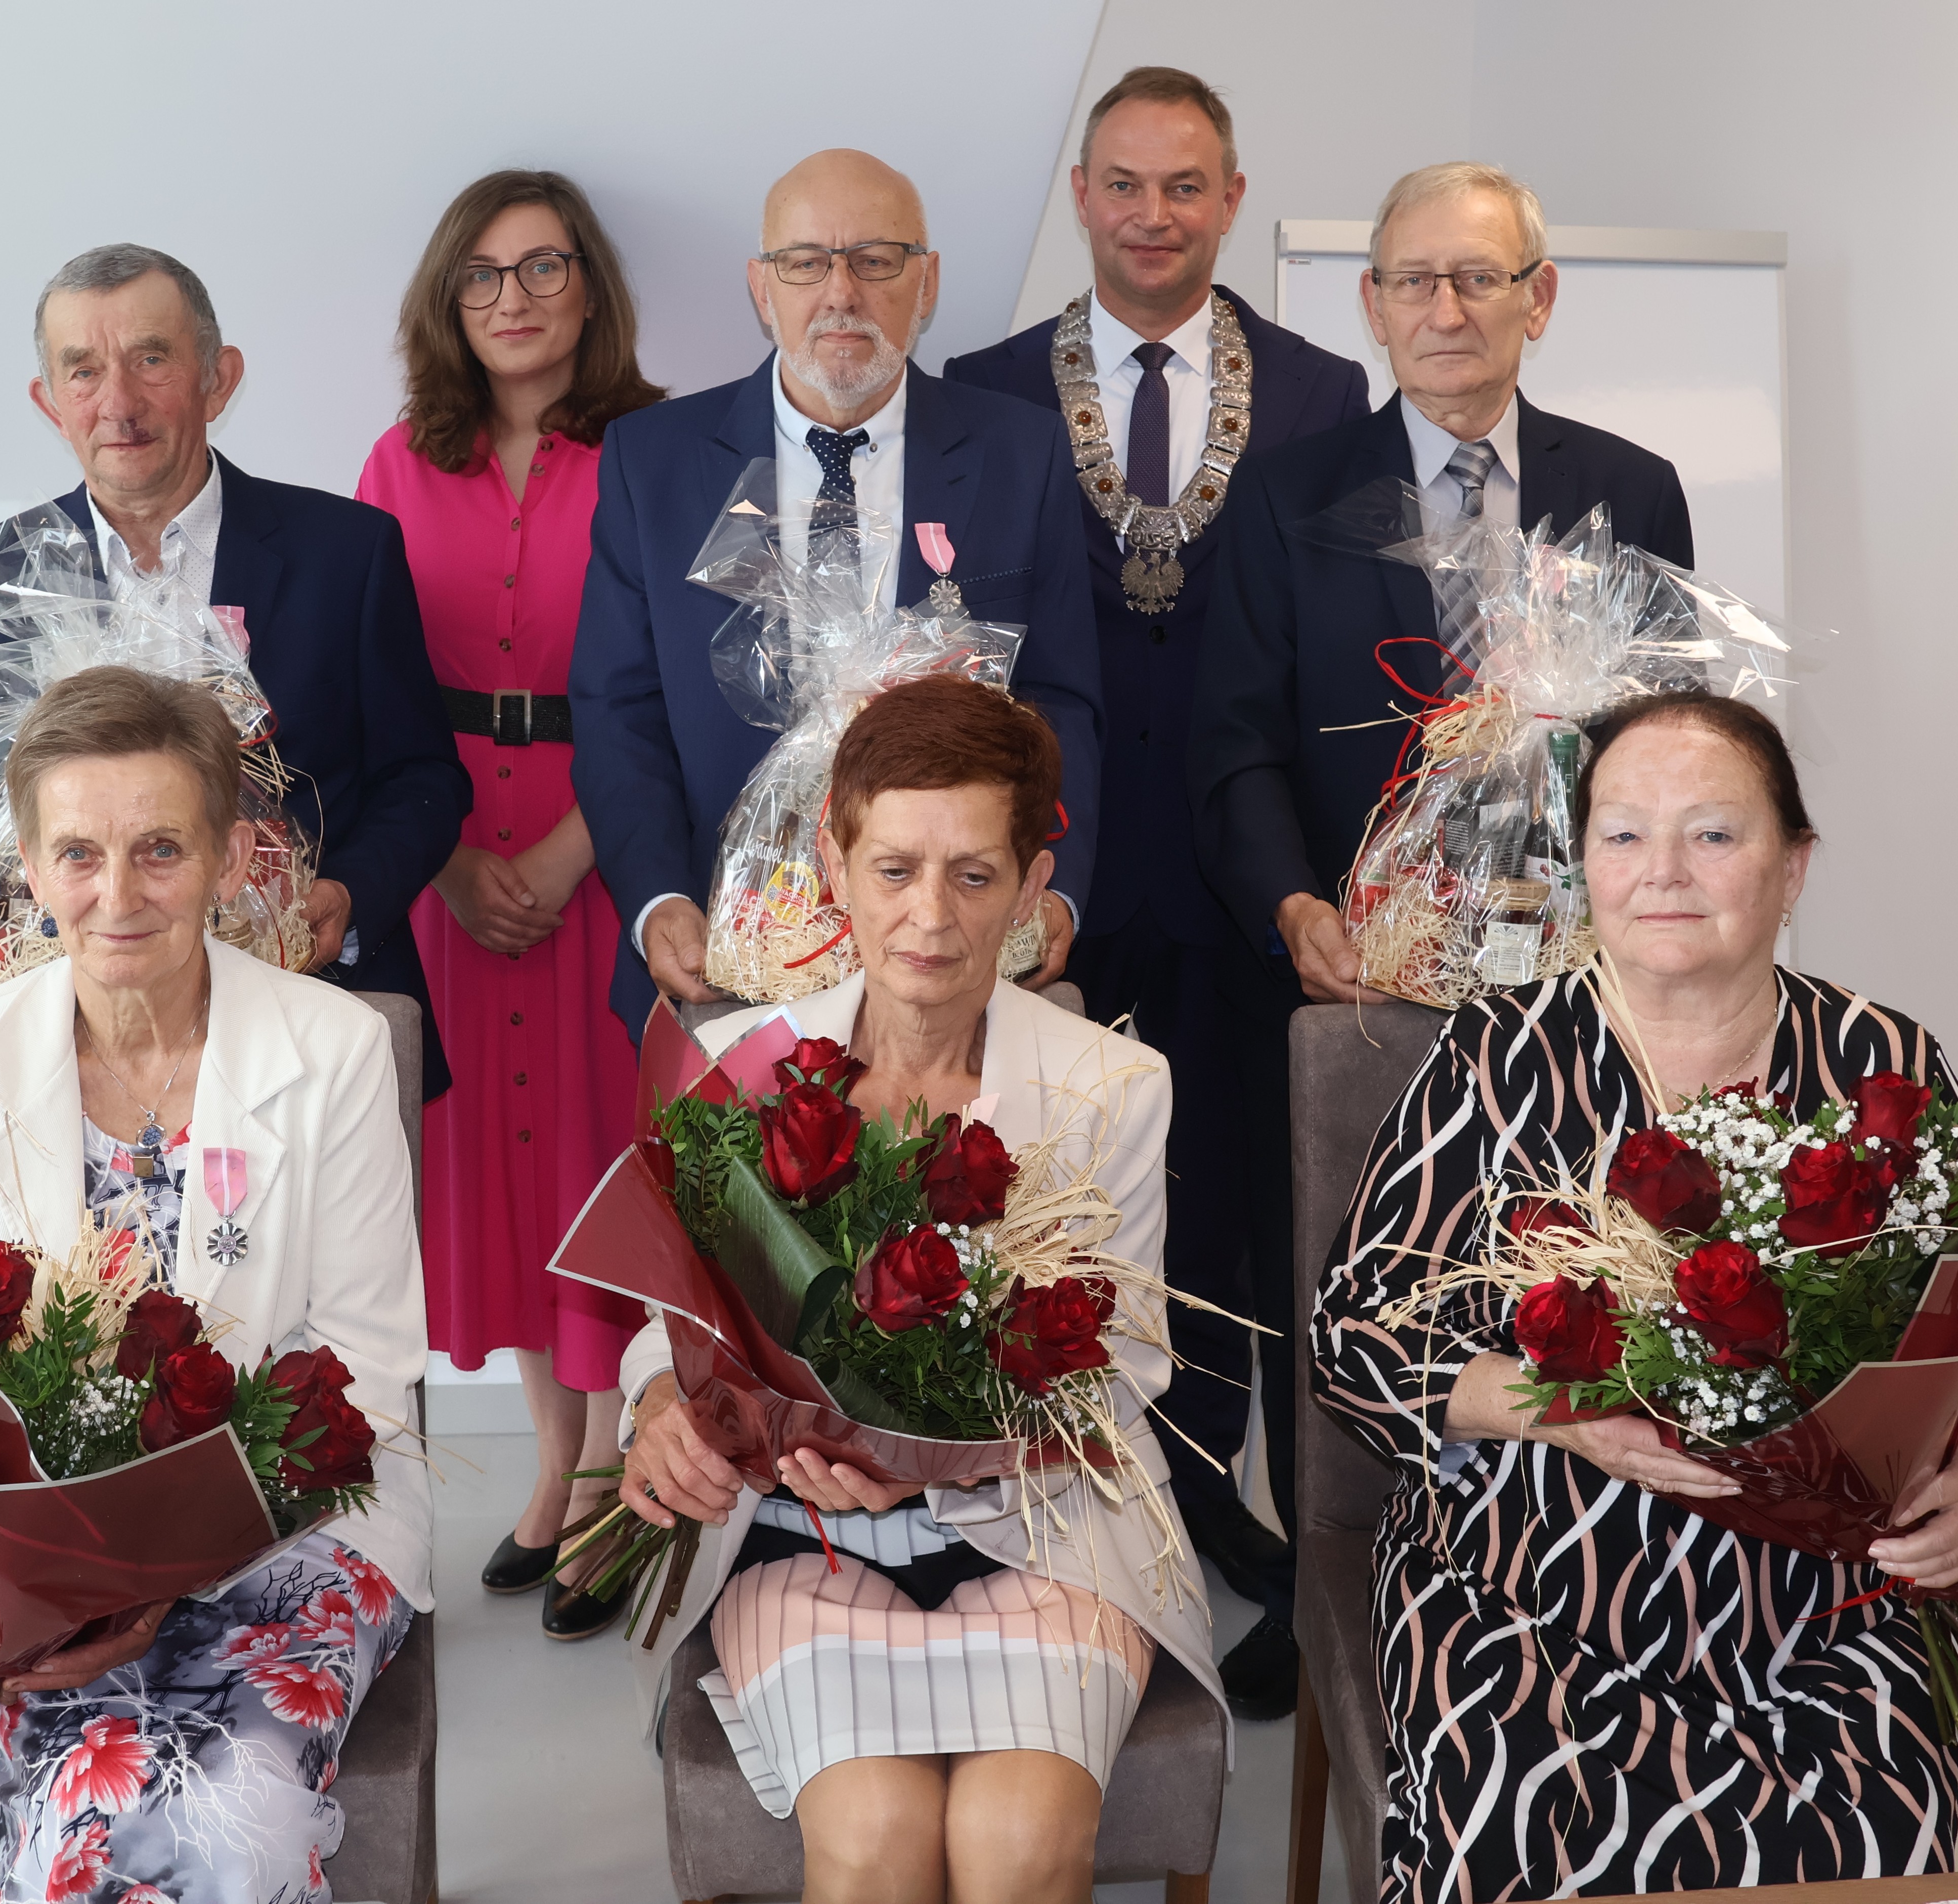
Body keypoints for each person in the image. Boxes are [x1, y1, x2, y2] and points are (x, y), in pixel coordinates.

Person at [1312, 692, 1958, 1898]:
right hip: (1531, 1591)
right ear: (1584, 866)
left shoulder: (1884, 1066)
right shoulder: (1498, 1058)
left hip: (1831, 1609)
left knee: (1868, 1849)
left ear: (1794, 866)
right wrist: (1556, 1410)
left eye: (1713, 834)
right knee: (1520, 1842)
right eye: (1622, 834)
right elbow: (1351, 1334)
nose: (1662, 870)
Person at [1185, 160, 1695, 1706]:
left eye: (1480, 276)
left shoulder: (1632, 490)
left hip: (1572, 985)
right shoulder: (1285, 493)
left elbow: (1674, 742)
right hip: (1357, 982)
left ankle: (1542, 1549)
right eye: (1413, 279)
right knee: (1333, 1270)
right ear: (1370, 303)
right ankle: (1321, 1577)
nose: (1446, 308)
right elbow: (1230, 740)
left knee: (1554, 1257)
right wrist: (1292, 907)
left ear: (1540, 299)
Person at [0, 666, 432, 1901]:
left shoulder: (333, 1047)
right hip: (47, 1570)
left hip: (300, 1529)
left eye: (160, 849)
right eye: (79, 854)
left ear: (231, 858)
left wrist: (159, 1575)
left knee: (195, 1811)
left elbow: (365, 1377)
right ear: (30, 869)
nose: (119, 894)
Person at [614, 674, 1217, 1904]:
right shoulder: (740, 1064)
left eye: (974, 875)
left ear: (1033, 891)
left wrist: (932, 1459)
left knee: (1018, 1844)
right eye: (893, 869)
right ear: (834, 867)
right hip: (799, 1533)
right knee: (875, 1840)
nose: (929, 916)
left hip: (1052, 1534)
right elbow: (668, 1321)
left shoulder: (1115, 1085)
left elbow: (1124, 1369)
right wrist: (656, 1411)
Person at [943, 65, 1369, 1716]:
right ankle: (1087, 1503)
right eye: (1121, 183)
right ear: (1080, 197)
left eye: (1184, 185)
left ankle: (1223, 1499)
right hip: (1057, 879)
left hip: (1256, 875)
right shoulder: (985, 394)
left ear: (1232, 199)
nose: (1151, 214)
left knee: (1255, 1205)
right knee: (1070, 1203)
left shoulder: (1326, 393)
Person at [571, 148, 1104, 1039]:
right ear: (762, 286)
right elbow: (618, 709)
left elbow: (1061, 701)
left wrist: (1059, 888)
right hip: (727, 956)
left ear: (927, 284)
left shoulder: (1024, 453)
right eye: (806, 262)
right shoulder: (652, 460)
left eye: (876, 260)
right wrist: (659, 898)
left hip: (956, 956)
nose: (841, 292)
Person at [356, 171, 666, 1642]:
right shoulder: (397, 461)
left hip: (610, 840)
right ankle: (554, 1462)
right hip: (450, 853)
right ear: (448, 300)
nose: (514, 298)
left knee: (606, 1153)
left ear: (590, 287)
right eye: (481, 274)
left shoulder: (660, 451)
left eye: (544, 266)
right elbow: (368, 685)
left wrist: (573, 852)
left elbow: (675, 689)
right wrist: (447, 861)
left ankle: (614, 1474)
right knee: (509, 1165)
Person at [0, 243, 471, 1093]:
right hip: (88, 1045)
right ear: (50, 402)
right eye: (84, 371)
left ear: (218, 380)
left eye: (151, 359)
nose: (119, 403)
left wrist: (345, 897)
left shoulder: (347, 552)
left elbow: (425, 779)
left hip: (319, 1013)